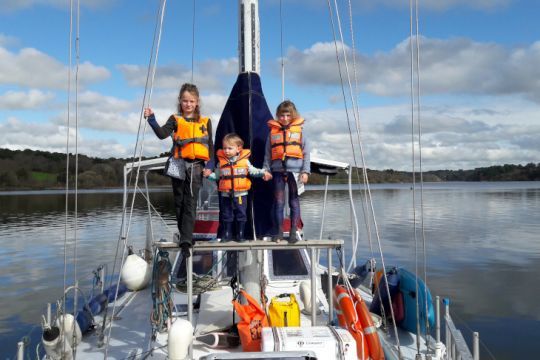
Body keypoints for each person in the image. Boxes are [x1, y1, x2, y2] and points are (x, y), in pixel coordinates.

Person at [144, 83, 213, 257]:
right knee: (179, 202)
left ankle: (186, 239)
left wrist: (210, 166)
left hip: (196, 165)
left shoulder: (206, 121)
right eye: (185, 101)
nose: (188, 104)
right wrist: (151, 119)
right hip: (177, 163)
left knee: (190, 202)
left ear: (197, 102)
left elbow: (210, 145)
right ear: (180, 101)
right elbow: (161, 134)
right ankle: (185, 235)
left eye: (191, 101)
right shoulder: (175, 119)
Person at [206, 133, 271, 242]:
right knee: (227, 214)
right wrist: (208, 176)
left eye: (229, 148)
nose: (226, 151)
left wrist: (263, 172)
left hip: (241, 195)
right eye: (224, 148)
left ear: (238, 149)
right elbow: (217, 176)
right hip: (226, 194)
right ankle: (227, 234)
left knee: (241, 214)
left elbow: (253, 171)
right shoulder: (220, 163)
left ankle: (241, 234)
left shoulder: (245, 161)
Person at [263, 100, 310, 243]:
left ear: (293, 115)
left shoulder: (300, 132)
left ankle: (293, 231)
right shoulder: (272, 134)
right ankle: (278, 232)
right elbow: (267, 154)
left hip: (295, 173)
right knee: (278, 202)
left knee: (294, 202)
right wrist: (266, 169)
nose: (284, 118)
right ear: (278, 116)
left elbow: (306, 153)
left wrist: (305, 172)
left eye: (288, 115)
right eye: (282, 116)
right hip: (277, 172)